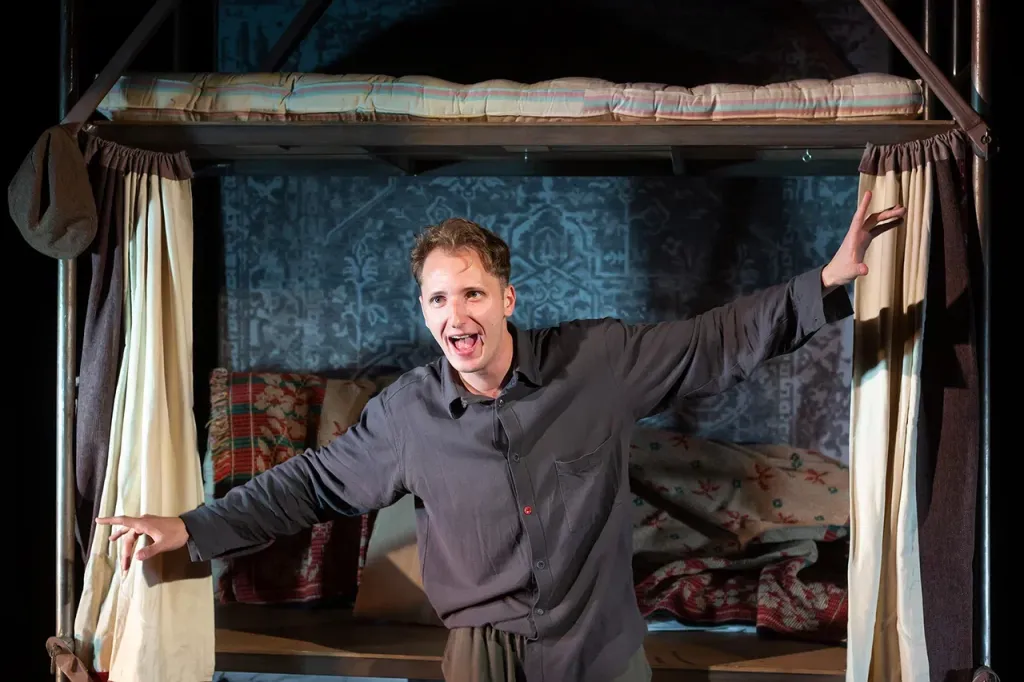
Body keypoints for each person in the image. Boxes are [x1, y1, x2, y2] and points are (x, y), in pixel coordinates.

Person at [98, 191, 904, 682]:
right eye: (438, 300)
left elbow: (712, 341)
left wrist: (827, 283)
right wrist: (190, 529)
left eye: (473, 294)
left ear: (507, 299)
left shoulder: (597, 362)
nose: (457, 315)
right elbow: (308, 485)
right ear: (426, 313)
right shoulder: (407, 416)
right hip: (483, 655)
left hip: (599, 645)